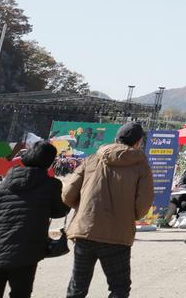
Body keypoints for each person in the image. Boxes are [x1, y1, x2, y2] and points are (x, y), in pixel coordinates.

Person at [62, 121, 154, 298]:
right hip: (118, 235)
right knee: (119, 287)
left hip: (85, 231)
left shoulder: (91, 159)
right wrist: (128, 216)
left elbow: (67, 194)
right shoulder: (141, 166)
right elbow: (143, 204)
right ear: (138, 142)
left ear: (116, 138)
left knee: (77, 286)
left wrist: (84, 210)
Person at [0, 140, 69, 297]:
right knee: (21, 293)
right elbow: (59, 212)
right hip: (27, 251)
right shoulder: (52, 185)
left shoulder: (4, 184)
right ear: (50, 161)